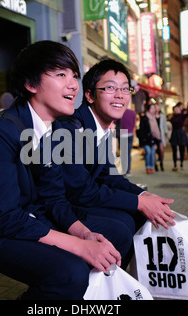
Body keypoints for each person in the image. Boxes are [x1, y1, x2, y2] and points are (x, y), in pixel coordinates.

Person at [0, 41, 132, 300]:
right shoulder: (0, 134)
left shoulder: (49, 131)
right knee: (69, 271)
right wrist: (79, 245)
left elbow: (54, 198)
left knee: (108, 236)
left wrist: (85, 234)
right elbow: (4, 218)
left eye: (74, 75)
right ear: (30, 84)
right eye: (61, 74)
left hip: (25, 216)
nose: (73, 84)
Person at [58, 59, 175, 253]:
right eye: (111, 88)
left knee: (137, 217)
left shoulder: (102, 130)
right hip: (59, 209)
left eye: (125, 89)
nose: (120, 95)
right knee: (121, 229)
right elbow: (80, 191)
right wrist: (140, 203)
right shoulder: (69, 129)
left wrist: (144, 196)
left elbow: (109, 176)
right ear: (89, 95)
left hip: (80, 202)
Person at [138, 104, 161, 174]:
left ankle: (151, 167)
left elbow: (157, 129)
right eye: (151, 108)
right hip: (146, 139)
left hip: (153, 138)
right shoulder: (144, 118)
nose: (153, 110)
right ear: (148, 109)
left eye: (154, 108)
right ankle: (147, 167)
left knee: (153, 153)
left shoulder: (155, 118)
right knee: (148, 152)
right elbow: (141, 129)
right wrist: (143, 139)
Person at [170, 103, 188, 171]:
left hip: (181, 133)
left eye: (178, 109)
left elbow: (187, 113)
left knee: (182, 149)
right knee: (174, 150)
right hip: (175, 133)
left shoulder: (182, 116)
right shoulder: (172, 118)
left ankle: (181, 163)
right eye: (175, 109)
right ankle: (175, 164)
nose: (177, 110)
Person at [119, 107, 136, 177]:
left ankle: (124, 170)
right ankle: (128, 170)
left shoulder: (119, 112)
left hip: (123, 133)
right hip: (130, 133)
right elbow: (134, 123)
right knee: (128, 153)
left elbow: (114, 122)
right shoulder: (132, 112)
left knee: (123, 154)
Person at [155, 104, 169, 171]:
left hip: (161, 135)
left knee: (161, 150)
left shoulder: (162, 116)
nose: (156, 109)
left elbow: (164, 125)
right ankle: (155, 165)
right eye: (155, 107)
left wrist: (166, 133)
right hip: (154, 135)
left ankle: (161, 163)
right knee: (154, 151)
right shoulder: (152, 116)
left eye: (157, 107)